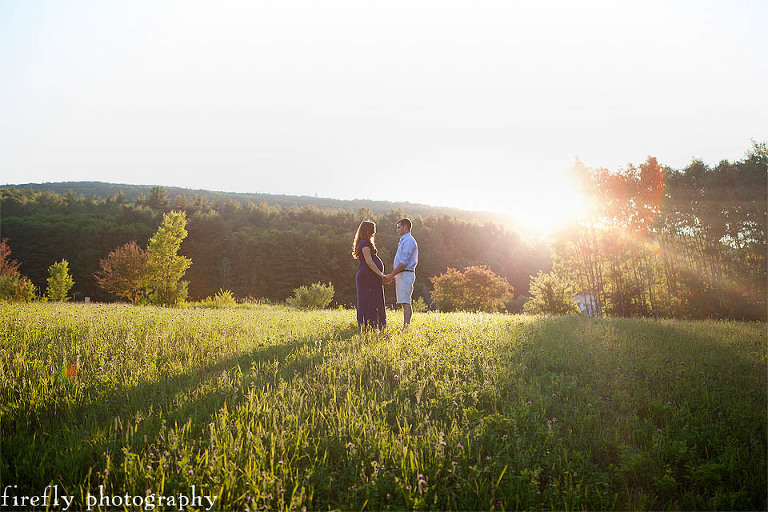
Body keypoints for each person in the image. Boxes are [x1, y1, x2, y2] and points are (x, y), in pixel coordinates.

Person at [384, 218, 418, 329]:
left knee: (406, 301)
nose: (397, 230)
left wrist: (391, 275)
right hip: (402, 274)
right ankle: (406, 326)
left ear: (405, 227)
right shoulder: (404, 240)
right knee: (404, 301)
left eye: (399, 227)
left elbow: (404, 262)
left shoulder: (408, 241)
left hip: (405, 274)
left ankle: (406, 327)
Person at [353, 221, 387, 329]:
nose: (374, 232)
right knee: (369, 300)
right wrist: (381, 274)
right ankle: (370, 324)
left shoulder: (365, 242)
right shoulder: (364, 243)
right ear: (368, 230)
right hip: (367, 277)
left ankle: (374, 324)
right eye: (373, 229)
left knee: (373, 299)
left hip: (370, 276)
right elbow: (369, 261)